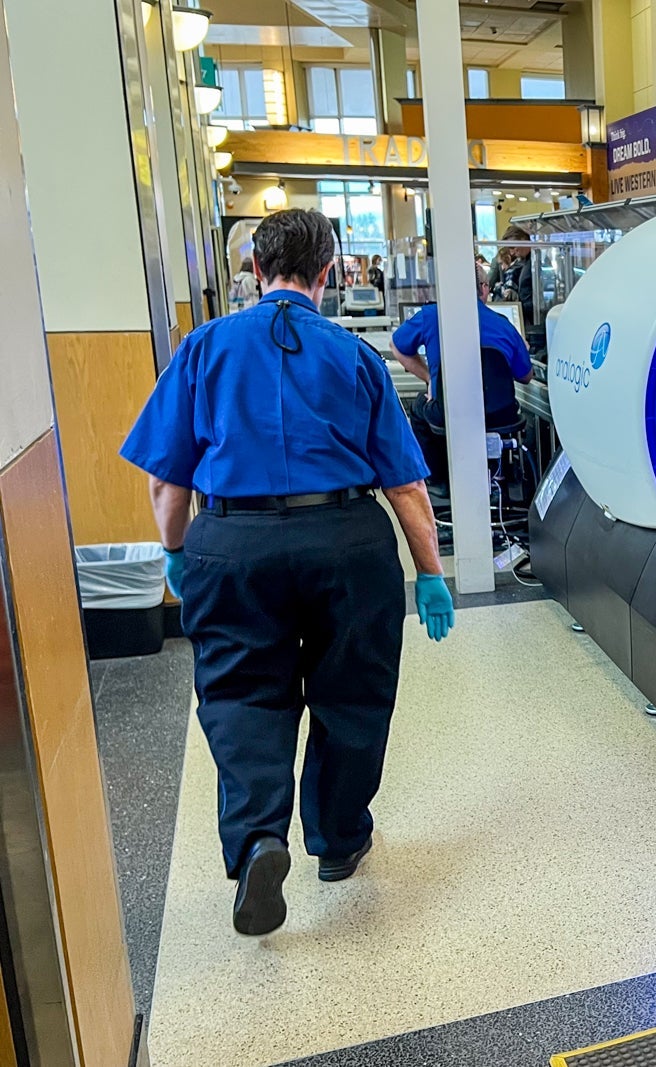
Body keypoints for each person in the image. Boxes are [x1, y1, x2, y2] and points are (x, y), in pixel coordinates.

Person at [119, 209, 458, 938]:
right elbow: (406, 487)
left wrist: (177, 551)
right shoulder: (355, 355)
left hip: (232, 542)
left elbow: (165, 482)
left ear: (254, 269)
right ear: (328, 273)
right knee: (353, 693)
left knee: (242, 693)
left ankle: (256, 840)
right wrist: (430, 572)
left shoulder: (202, 348)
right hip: (348, 542)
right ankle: (338, 842)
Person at [392, 260, 535, 486]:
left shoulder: (431, 315)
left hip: (449, 413)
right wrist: (520, 350)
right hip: (500, 414)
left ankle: (438, 483)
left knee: (419, 407)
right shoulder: (503, 324)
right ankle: (501, 479)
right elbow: (526, 376)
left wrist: (430, 379)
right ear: (484, 289)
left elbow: (397, 346)